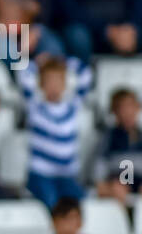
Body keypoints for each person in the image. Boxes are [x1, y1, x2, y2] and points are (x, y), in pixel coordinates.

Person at [18, 54, 93, 209]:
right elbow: (22, 72)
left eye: (58, 81)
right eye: (49, 81)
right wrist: (39, 62)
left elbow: (86, 75)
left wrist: (64, 61)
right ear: (41, 84)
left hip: (67, 175)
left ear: (65, 84)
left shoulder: (73, 106)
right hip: (41, 175)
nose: (54, 86)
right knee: (53, 204)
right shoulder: (35, 106)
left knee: (82, 205)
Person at [94, 88, 142, 201]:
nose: (127, 112)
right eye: (122, 108)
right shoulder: (108, 137)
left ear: (138, 108)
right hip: (117, 184)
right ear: (114, 112)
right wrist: (105, 184)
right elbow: (99, 170)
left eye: (131, 107)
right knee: (114, 190)